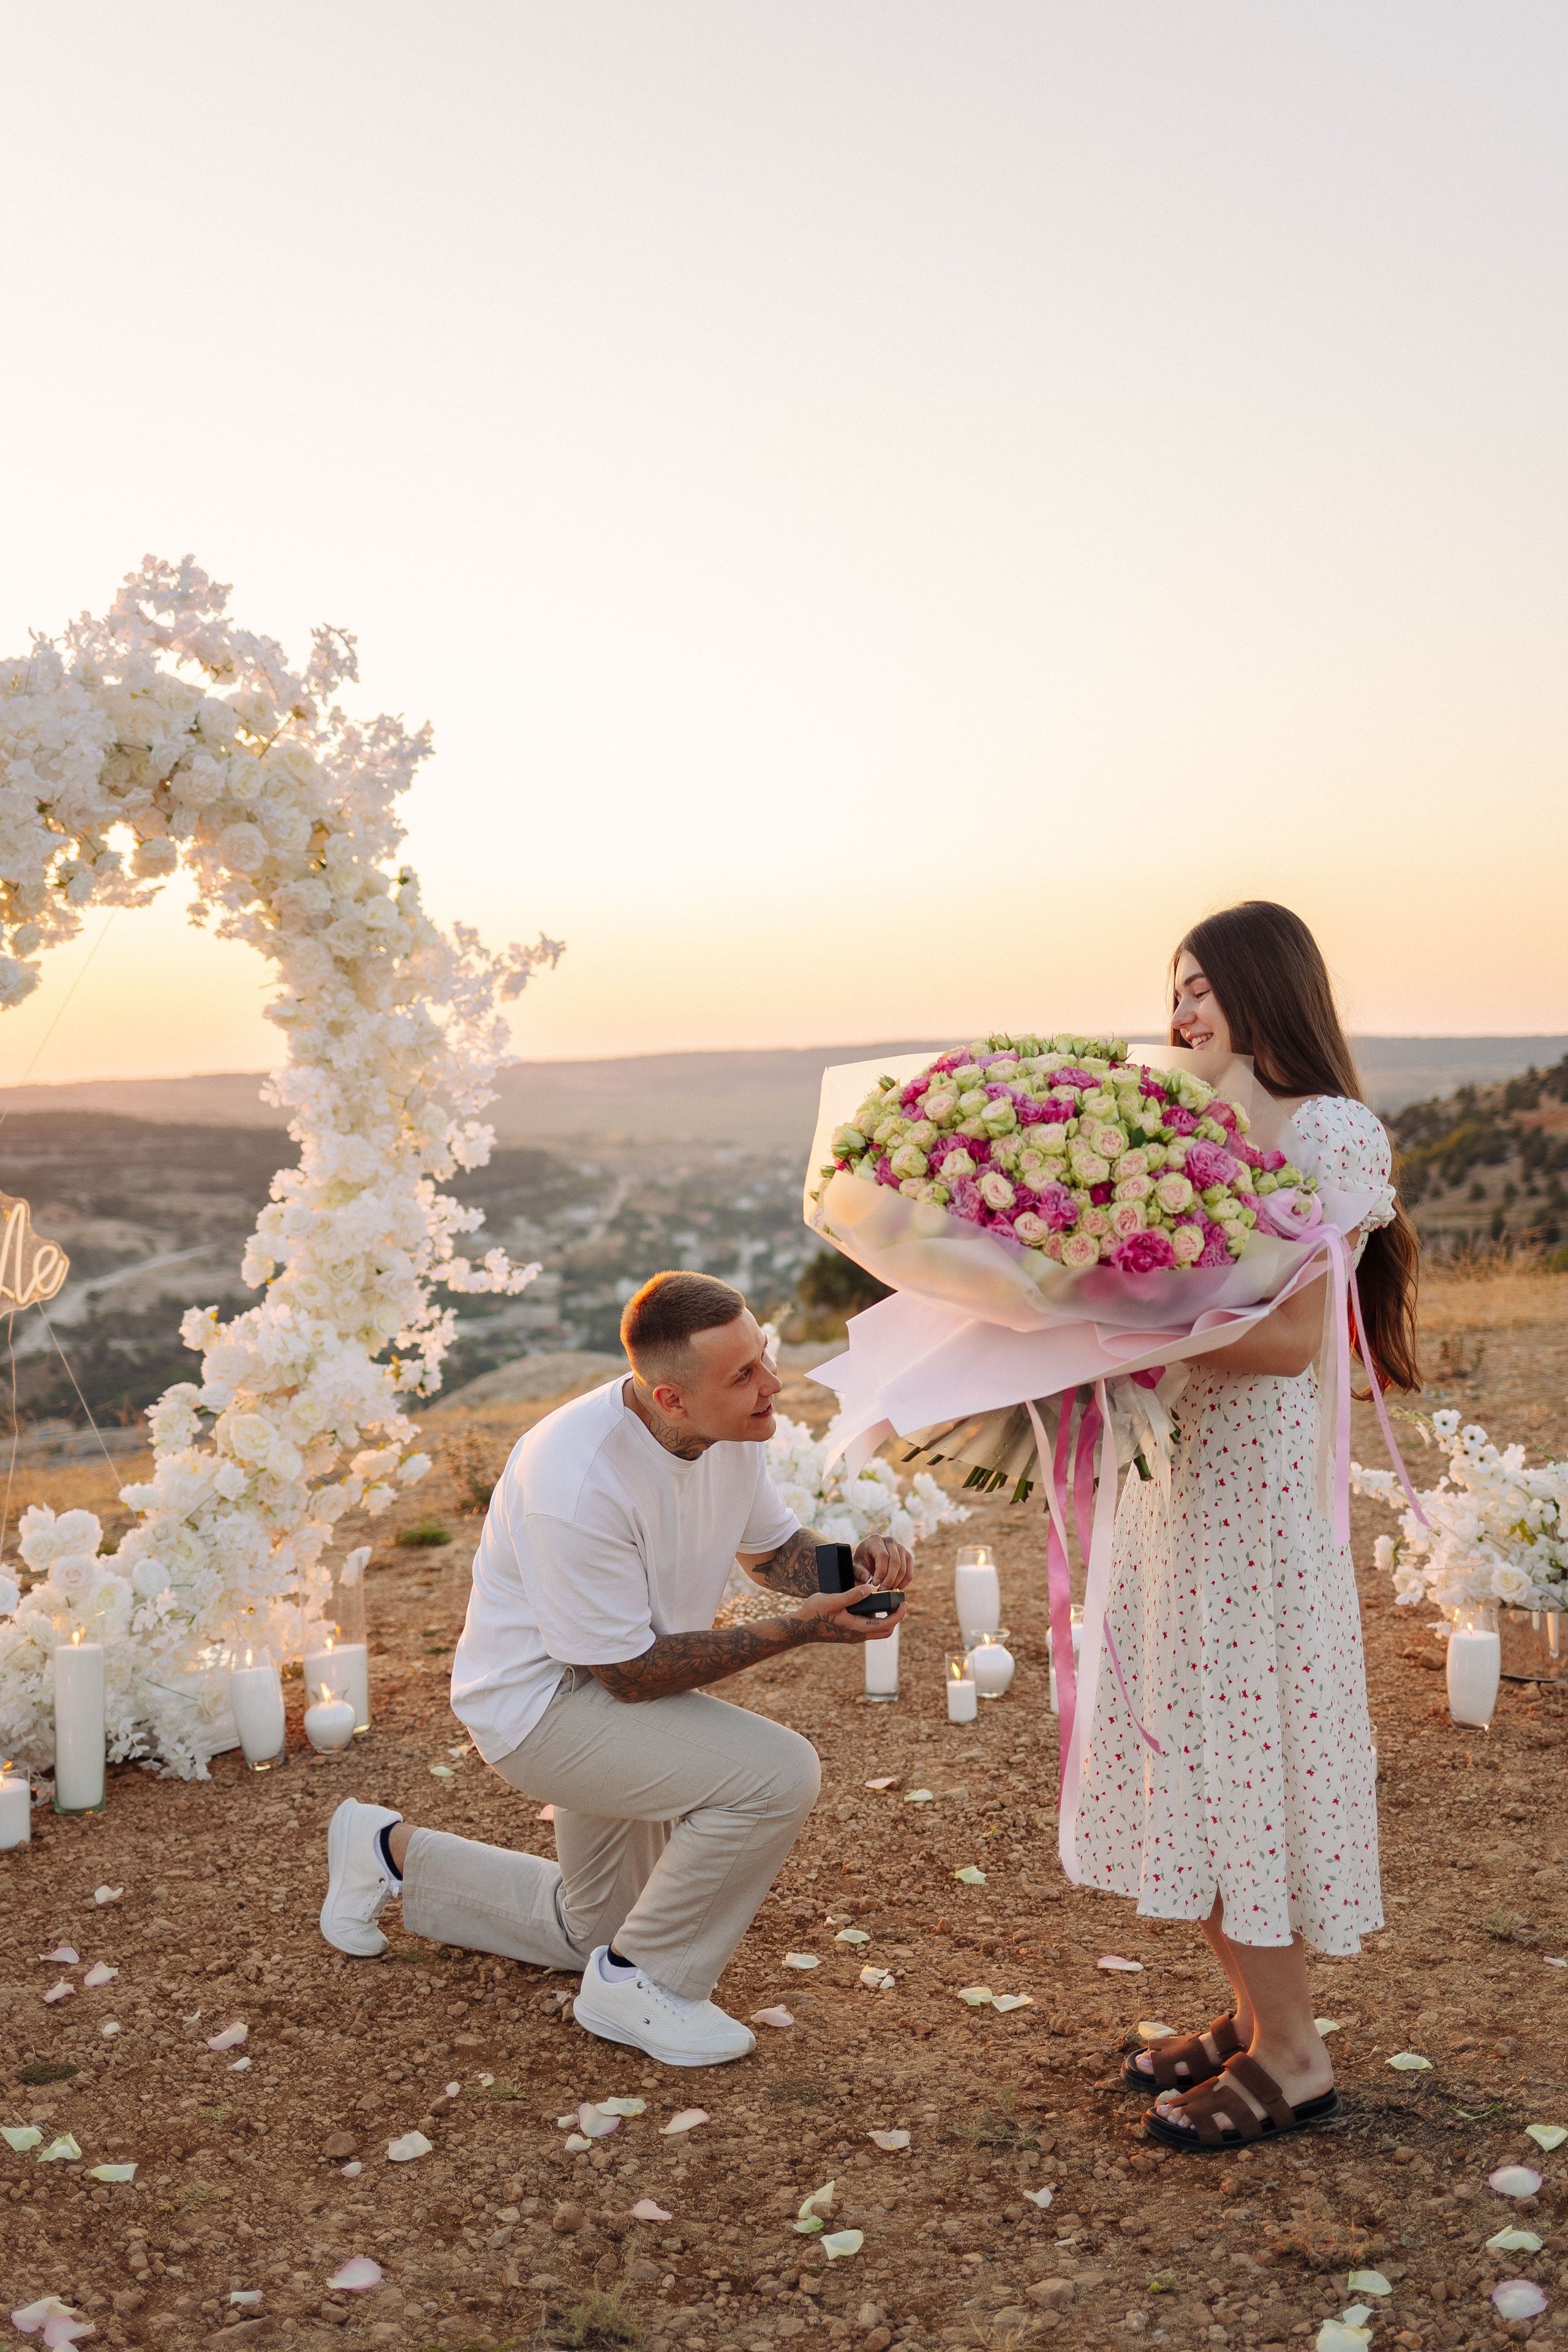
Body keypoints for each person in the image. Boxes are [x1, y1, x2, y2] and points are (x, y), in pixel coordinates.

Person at [317, 1270, 910, 2068]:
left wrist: (850, 1569)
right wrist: (792, 1635)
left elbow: (773, 1554)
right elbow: (627, 1676)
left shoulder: (729, 1431)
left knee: (589, 1928)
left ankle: (384, 1851)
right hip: (543, 1709)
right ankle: (644, 1985)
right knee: (777, 1775)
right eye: (744, 1375)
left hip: (615, 1685)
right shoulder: (575, 1477)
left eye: (762, 1357)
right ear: (670, 1398)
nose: (772, 1385)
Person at [1071, 900, 1420, 2150]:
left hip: (1256, 1502)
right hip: (1179, 1484)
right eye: (1172, 985)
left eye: (1204, 986)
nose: (1180, 1009)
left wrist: (1117, 1330)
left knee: (1238, 1756)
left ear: (1266, 991)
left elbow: (1285, 1341)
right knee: (1195, 1744)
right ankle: (1245, 2012)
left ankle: (1295, 2055)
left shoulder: (1324, 1129)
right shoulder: (1190, 1125)